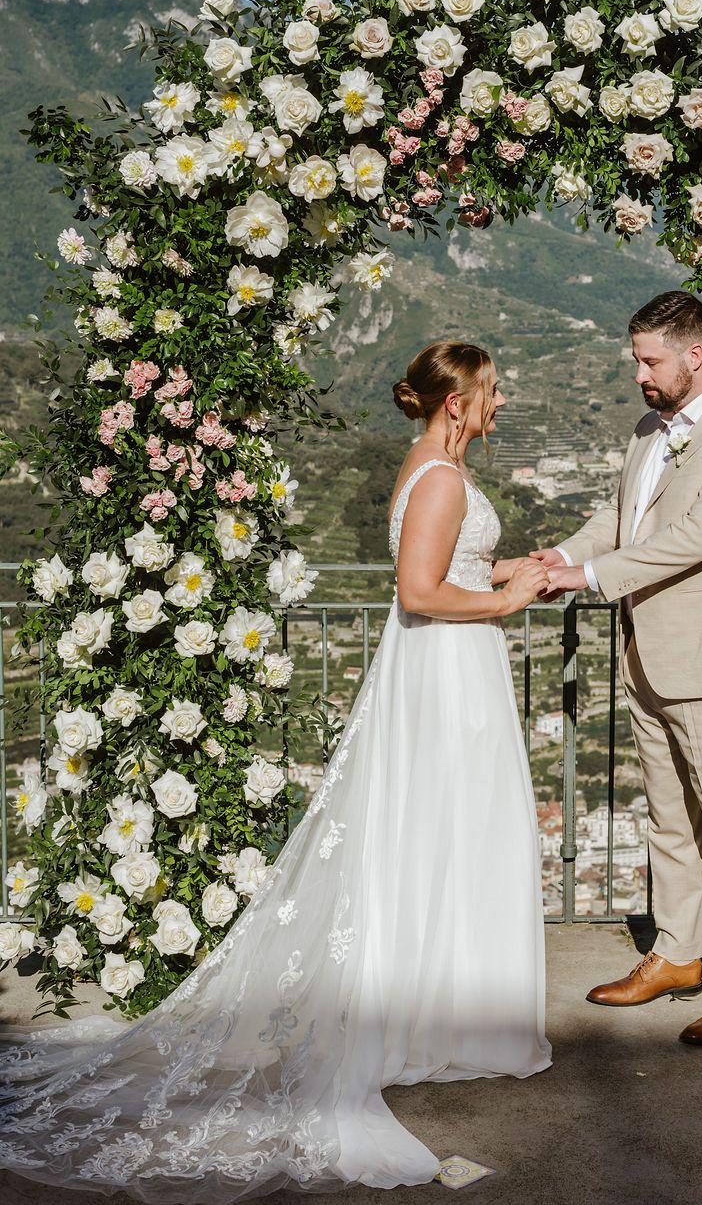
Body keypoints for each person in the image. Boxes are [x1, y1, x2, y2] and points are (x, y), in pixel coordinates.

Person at [0, 341, 552, 1199]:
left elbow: (449, 570)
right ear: (455, 403)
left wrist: (505, 569)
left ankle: (438, 1014)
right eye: (492, 389)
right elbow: (419, 591)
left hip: (444, 668)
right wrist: (506, 600)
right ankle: (447, 1023)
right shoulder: (442, 477)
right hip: (448, 671)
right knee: (454, 830)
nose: (501, 400)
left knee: (441, 834)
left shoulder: (431, 468)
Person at [536, 291, 702, 1046]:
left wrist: (590, 579)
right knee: (668, 819)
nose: (637, 372)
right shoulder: (651, 429)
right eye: (636, 358)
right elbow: (625, 518)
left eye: (649, 360)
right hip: (651, 654)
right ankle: (676, 954)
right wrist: (563, 555)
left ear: (694, 355)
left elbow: (694, 539)